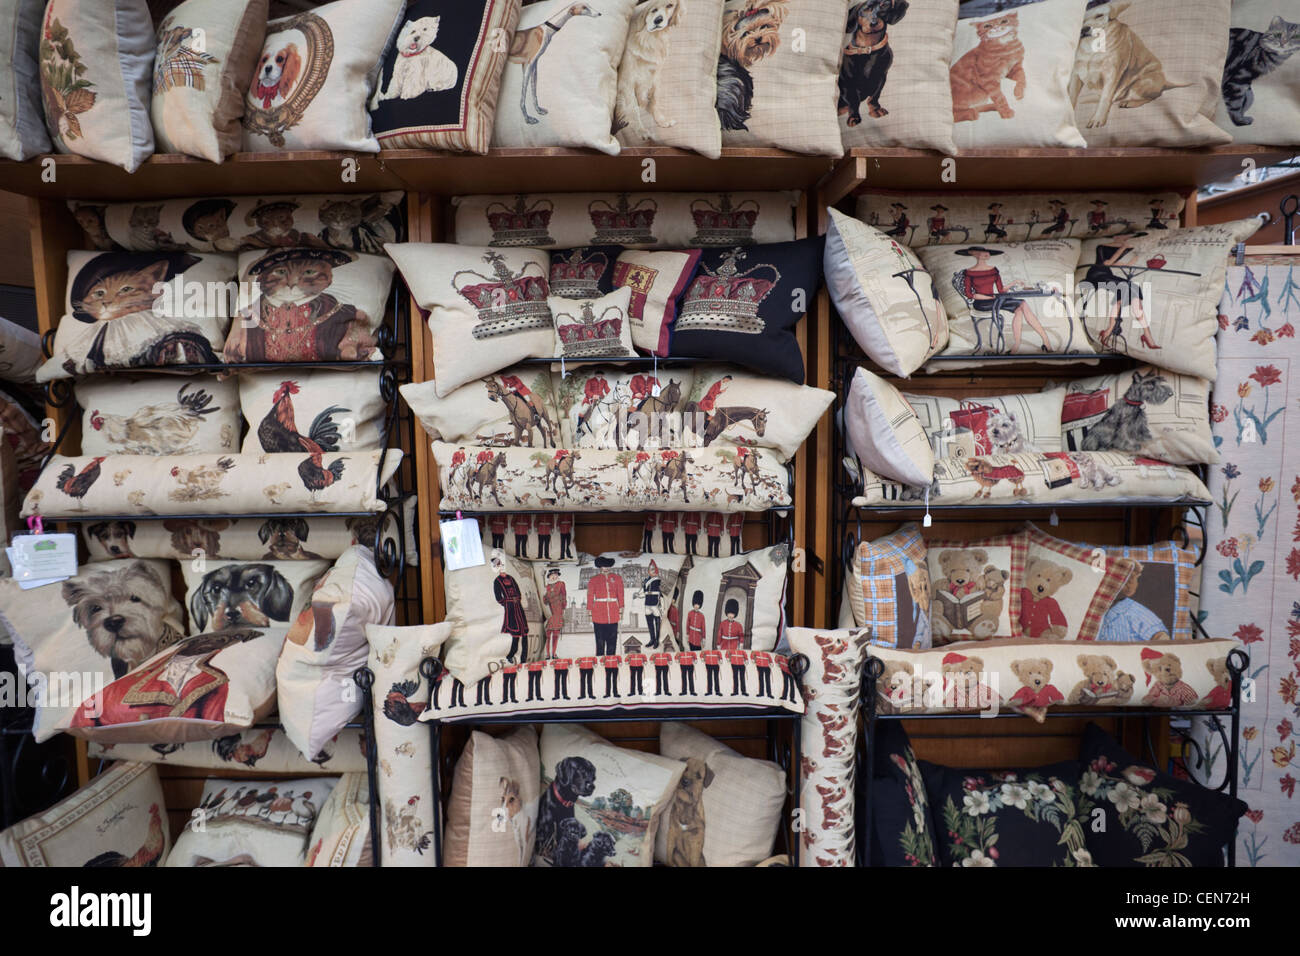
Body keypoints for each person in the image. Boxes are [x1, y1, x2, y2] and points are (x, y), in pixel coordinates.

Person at [954, 246, 1056, 353]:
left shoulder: (993, 270)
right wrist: (988, 297)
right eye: (983, 252)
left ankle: (1036, 342)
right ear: (975, 254)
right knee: (1021, 305)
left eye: (987, 251)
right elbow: (970, 295)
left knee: (1021, 305)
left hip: (995, 299)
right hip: (981, 303)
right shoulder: (969, 272)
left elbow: (1001, 290)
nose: (987, 253)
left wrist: (1014, 282)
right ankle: (1023, 346)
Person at [1080, 233, 1158, 351]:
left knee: (1134, 288)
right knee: (1125, 287)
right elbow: (1107, 263)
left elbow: (1126, 265)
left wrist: (1138, 255)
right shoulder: (1102, 246)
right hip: (1096, 275)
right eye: (1125, 237)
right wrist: (1124, 246)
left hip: (1107, 274)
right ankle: (1109, 330)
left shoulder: (1124, 248)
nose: (1124, 238)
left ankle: (1147, 334)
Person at [491, 551, 529, 664]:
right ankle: (511, 655)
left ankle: (524, 659)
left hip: (518, 606)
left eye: (502, 564)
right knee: (516, 634)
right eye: (498, 565)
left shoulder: (511, 578)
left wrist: (517, 598)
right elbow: (498, 597)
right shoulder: (497, 581)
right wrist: (507, 603)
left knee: (524, 633)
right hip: (510, 608)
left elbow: (518, 591)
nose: (501, 567)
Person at [587, 556, 624, 655]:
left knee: (612, 641)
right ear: (600, 567)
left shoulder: (617, 578)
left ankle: (611, 662)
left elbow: (620, 595)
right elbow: (590, 597)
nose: (606, 568)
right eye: (604, 566)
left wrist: (621, 611)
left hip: (613, 613)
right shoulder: (594, 580)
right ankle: (600, 663)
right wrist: (590, 615)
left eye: (608, 566)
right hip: (598, 613)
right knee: (600, 642)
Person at [543, 567, 566, 658]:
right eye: (552, 575)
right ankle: (548, 654)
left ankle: (554, 653)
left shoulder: (561, 584)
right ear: (549, 576)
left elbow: (564, 595)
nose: (554, 577)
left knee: (556, 633)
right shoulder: (546, 587)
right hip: (549, 610)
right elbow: (544, 600)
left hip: (558, 609)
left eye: (556, 575)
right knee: (548, 633)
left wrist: (563, 607)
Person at [643, 561, 662, 648]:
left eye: (654, 569)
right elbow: (644, 591)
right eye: (651, 570)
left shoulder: (658, 580)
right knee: (650, 623)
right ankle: (652, 639)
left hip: (655, 603)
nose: (652, 571)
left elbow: (662, 592)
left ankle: (657, 641)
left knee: (657, 623)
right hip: (647, 603)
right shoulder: (646, 580)